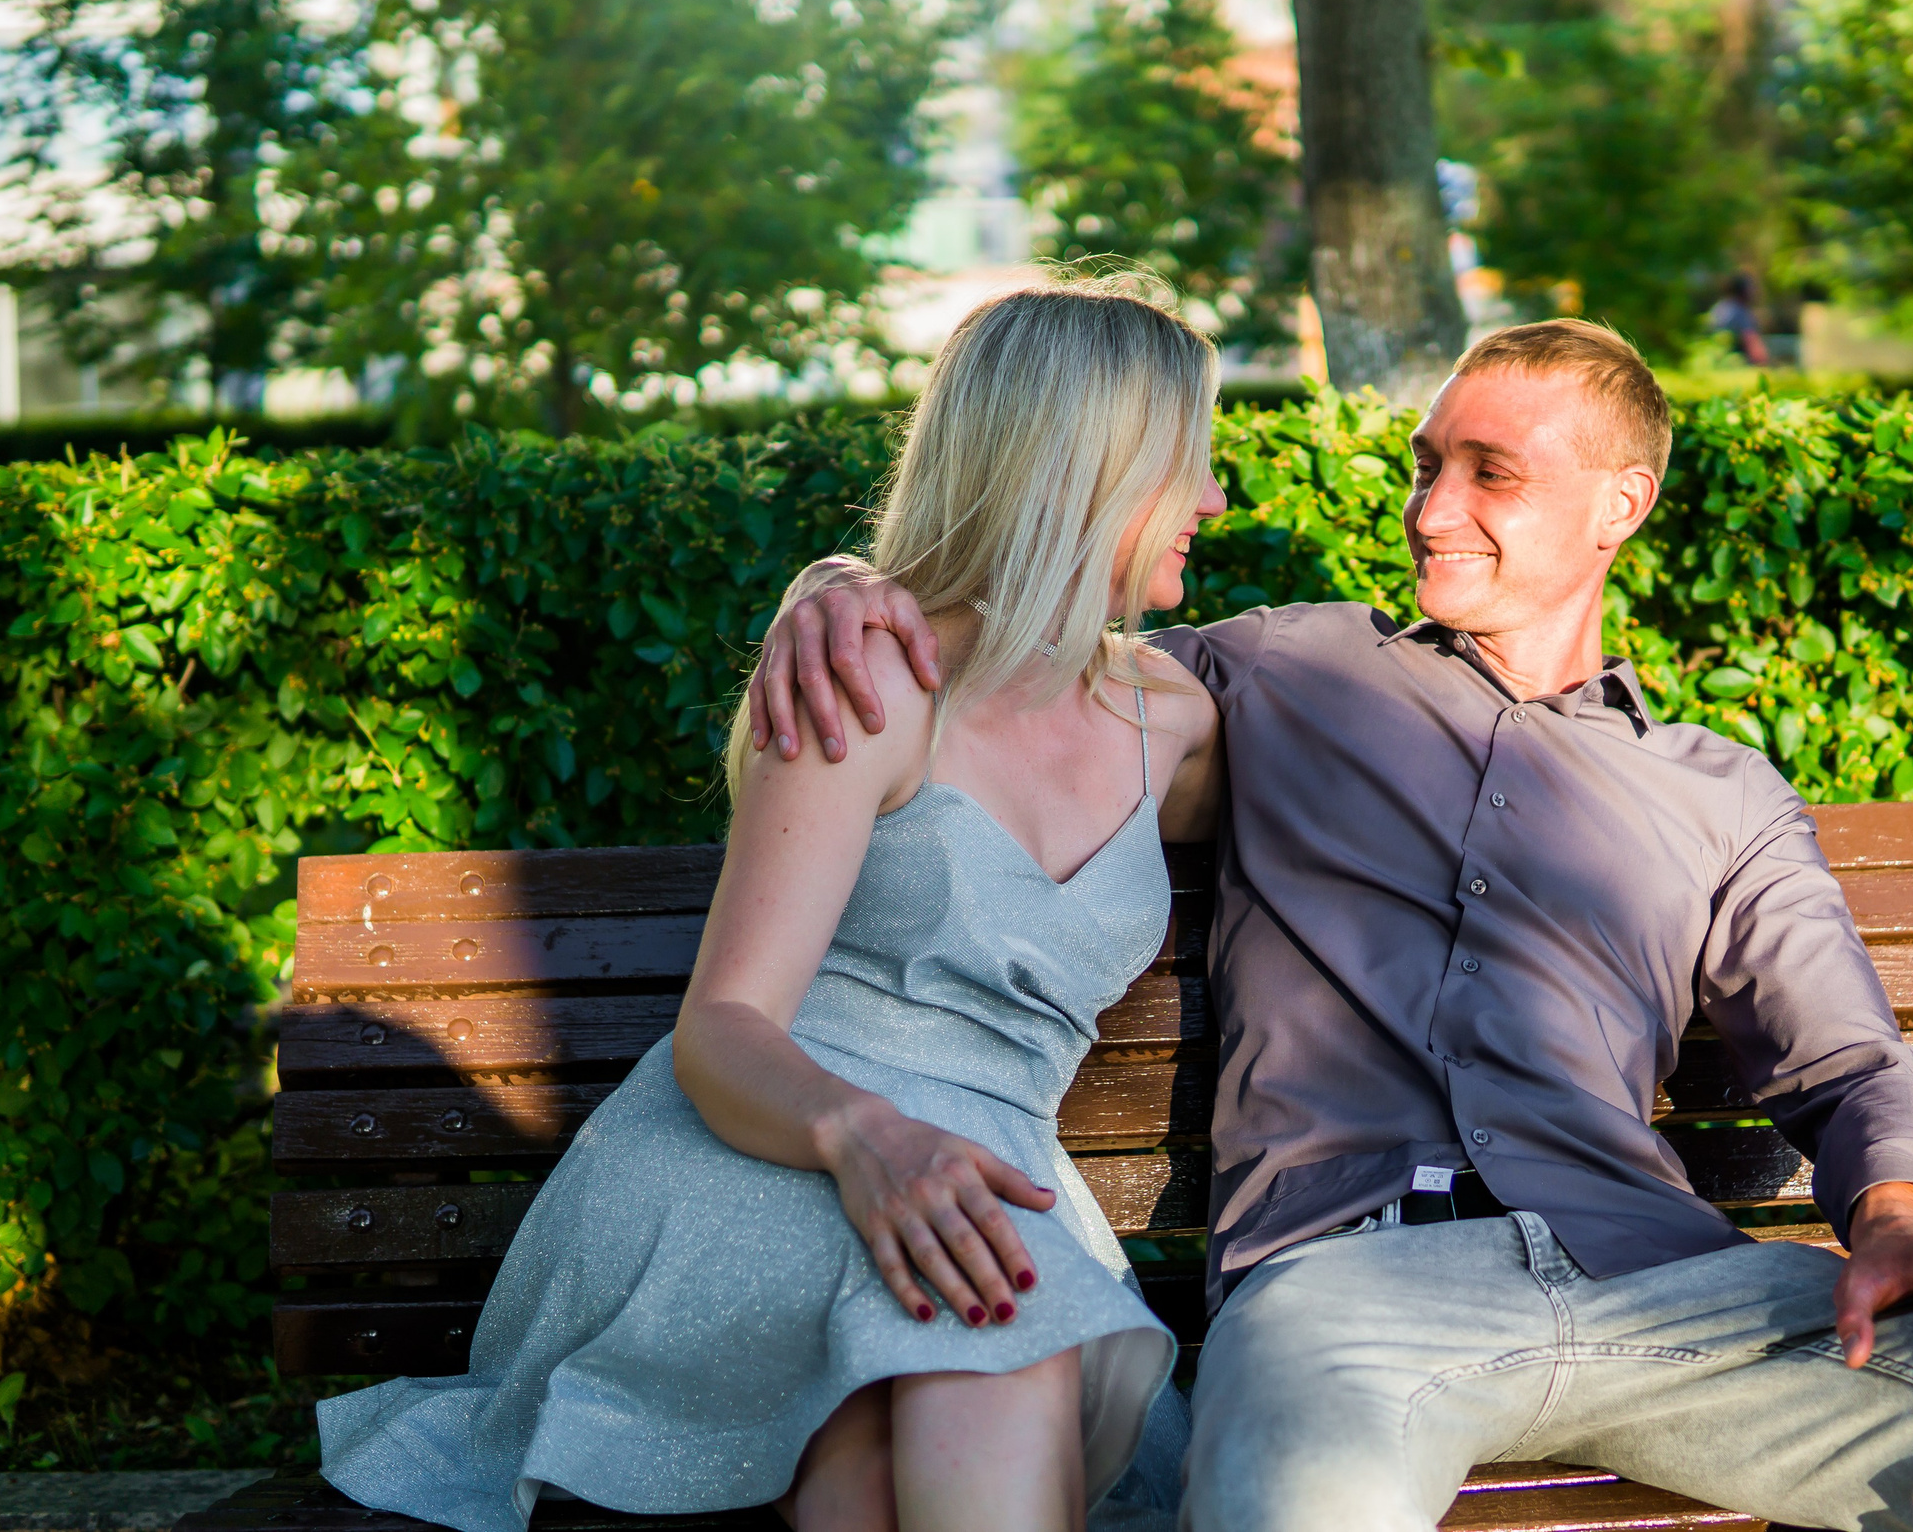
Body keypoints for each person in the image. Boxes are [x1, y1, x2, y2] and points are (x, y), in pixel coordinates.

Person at [751, 318, 1913, 1532]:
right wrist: (849, 591)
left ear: (1620, 503)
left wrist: (1895, 1215)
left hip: (1660, 1286)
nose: (1433, 508)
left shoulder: (1720, 792)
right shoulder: (1285, 672)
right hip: (1345, 1288)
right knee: (1306, 1490)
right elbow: (1018, 677)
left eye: (1490, 472)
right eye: (1427, 465)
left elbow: (1845, 1058)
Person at [317, 285, 1229, 1532]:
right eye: (1194, 465)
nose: (1218, 502)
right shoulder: (874, 679)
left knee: (885, 1443)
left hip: (984, 1169)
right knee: (995, 1345)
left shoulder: (1173, 723)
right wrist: (869, 1140)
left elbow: (1365, 707)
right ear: (1090, 469)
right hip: (766, 1150)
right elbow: (728, 1026)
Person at [1708, 273, 1771, 366]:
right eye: (1752, 287)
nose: (1755, 291)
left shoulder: (1718, 308)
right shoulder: (1740, 312)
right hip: (1735, 364)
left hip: (1714, 360)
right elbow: (1752, 344)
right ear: (1743, 290)